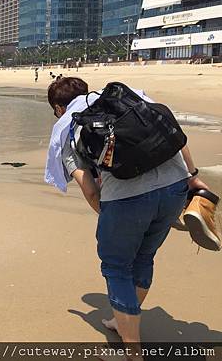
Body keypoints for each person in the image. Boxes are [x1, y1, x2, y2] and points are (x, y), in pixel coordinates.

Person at [45, 77, 209, 360]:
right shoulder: (127, 97)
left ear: (59, 107)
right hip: (175, 186)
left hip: (126, 198)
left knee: (117, 265)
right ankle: (120, 321)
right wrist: (193, 178)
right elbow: (173, 132)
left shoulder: (71, 125)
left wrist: (109, 214)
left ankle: (132, 353)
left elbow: (88, 186)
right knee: (144, 257)